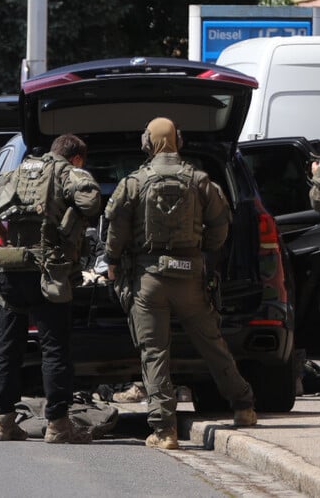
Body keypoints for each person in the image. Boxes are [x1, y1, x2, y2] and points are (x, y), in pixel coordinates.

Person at [104, 117, 257, 451]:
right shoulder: (200, 179)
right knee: (212, 343)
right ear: (178, 141)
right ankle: (244, 406)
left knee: (155, 352)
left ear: (148, 143)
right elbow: (221, 223)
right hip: (190, 275)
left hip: (149, 280)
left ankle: (165, 431)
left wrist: (113, 261)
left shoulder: (133, 182)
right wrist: (205, 252)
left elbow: (117, 228)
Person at [0, 134, 102, 444]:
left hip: (10, 269)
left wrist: (2, 236)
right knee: (54, 349)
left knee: (8, 347)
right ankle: (58, 425)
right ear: (75, 157)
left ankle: (3, 422)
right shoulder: (68, 172)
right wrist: (68, 220)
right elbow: (91, 202)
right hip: (49, 271)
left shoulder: (17, 172)